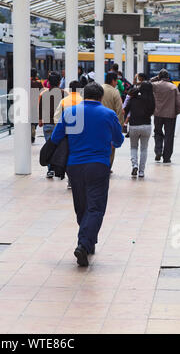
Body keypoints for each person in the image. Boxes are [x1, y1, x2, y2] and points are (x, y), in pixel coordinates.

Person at [51, 82, 124, 266]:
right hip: (98, 165)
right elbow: (119, 140)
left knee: (81, 206)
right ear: (100, 97)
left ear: (84, 96)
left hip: (74, 166)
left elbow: (55, 138)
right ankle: (84, 244)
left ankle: (87, 242)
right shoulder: (108, 114)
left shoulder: (70, 112)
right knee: (96, 207)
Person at [53, 80, 83, 189]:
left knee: (68, 155)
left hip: (67, 133)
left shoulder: (64, 101)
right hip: (81, 133)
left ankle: (70, 179)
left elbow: (56, 117)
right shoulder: (83, 101)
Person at [124, 82, 155, 178]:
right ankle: (141, 172)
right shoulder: (151, 99)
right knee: (144, 149)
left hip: (134, 126)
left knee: (133, 147)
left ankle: (134, 165)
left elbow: (125, 109)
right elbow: (152, 112)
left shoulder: (134, 98)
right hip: (146, 126)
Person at [39, 71, 65, 178]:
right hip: (60, 125)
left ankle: (50, 170)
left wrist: (40, 120)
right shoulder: (64, 94)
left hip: (48, 124)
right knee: (61, 147)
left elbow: (40, 109)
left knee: (49, 146)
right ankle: (59, 168)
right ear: (59, 82)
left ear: (48, 82)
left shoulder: (44, 94)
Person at [151, 68, 180, 164]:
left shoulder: (155, 85)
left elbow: (146, 83)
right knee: (169, 136)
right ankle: (166, 157)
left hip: (158, 114)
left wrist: (156, 78)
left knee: (158, 132)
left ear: (159, 76)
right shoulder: (173, 87)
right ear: (168, 77)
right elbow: (178, 103)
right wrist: (176, 112)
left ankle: (158, 151)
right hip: (170, 115)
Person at [102, 72, 124, 168]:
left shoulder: (99, 89)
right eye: (116, 81)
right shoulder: (115, 92)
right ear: (113, 81)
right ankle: (108, 166)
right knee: (111, 147)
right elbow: (120, 111)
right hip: (110, 124)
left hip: (98, 122)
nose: (116, 83)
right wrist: (120, 126)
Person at [30, 68, 43, 144]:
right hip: (36, 104)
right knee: (34, 120)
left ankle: (31, 131)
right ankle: (33, 130)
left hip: (28, 104)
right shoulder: (38, 83)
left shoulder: (27, 82)